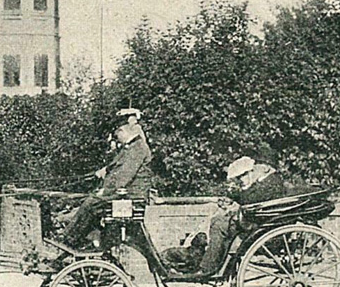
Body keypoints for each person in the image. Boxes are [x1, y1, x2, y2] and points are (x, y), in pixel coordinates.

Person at [163, 145, 285, 273]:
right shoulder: (270, 181)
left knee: (219, 225)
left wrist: (236, 198)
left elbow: (250, 198)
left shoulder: (271, 183)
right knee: (219, 221)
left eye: (257, 164)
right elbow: (251, 197)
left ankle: (207, 267)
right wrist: (233, 198)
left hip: (256, 225)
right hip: (256, 222)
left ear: (265, 167)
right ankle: (206, 260)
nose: (253, 167)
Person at [60, 109, 154, 249]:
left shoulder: (137, 148)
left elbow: (123, 177)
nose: (116, 139)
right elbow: (116, 167)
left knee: (90, 204)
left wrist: (104, 191)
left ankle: (69, 240)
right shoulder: (130, 148)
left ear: (123, 131)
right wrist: (105, 170)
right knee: (88, 202)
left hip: (131, 197)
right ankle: (87, 240)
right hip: (126, 196)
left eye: (116, 135)